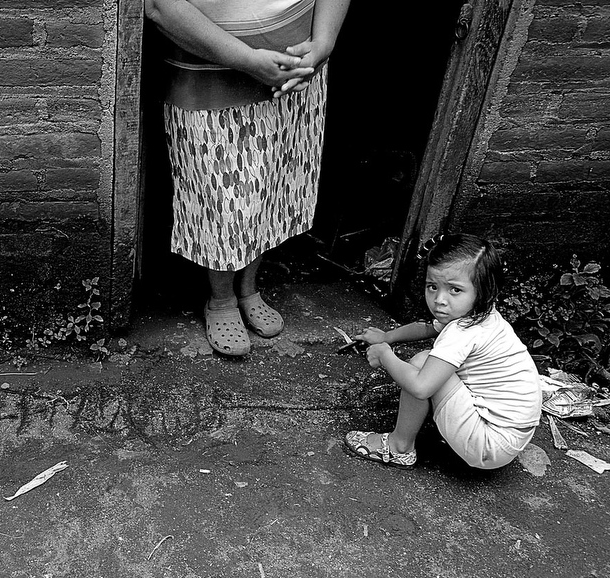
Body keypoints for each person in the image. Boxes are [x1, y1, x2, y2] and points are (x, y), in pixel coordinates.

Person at [144, 0, 351, 356]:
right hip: (211, 66)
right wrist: (248, 60)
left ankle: (249, 287)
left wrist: (324, 43)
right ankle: (221, 299)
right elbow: (160, 5)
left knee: (270, 182)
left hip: (297, 67)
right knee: (222, 196)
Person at [344, 234, 542, 470]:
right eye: (432, 287)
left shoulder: (462, 332)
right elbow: (428, 328)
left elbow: (420, 387)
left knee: (421, 365)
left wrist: (386, 354)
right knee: (428, 364)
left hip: (488, 445)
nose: (439, 300)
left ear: (484, 290)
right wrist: (388, 336)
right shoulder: (480, 313)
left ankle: (399, 447)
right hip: (510, 437)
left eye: (454, 290)